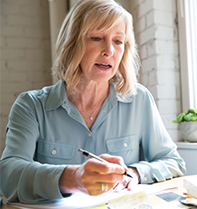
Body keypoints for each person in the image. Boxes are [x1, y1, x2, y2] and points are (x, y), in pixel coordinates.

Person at [0, 0, 186, 204]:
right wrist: (72, 178)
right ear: (72, 44)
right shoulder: (30, 106)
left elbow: (173, 162)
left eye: (118, 41)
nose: (109, 50)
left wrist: (134, 172)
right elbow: (8, 175)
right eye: (97, 38)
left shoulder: (139, 100)